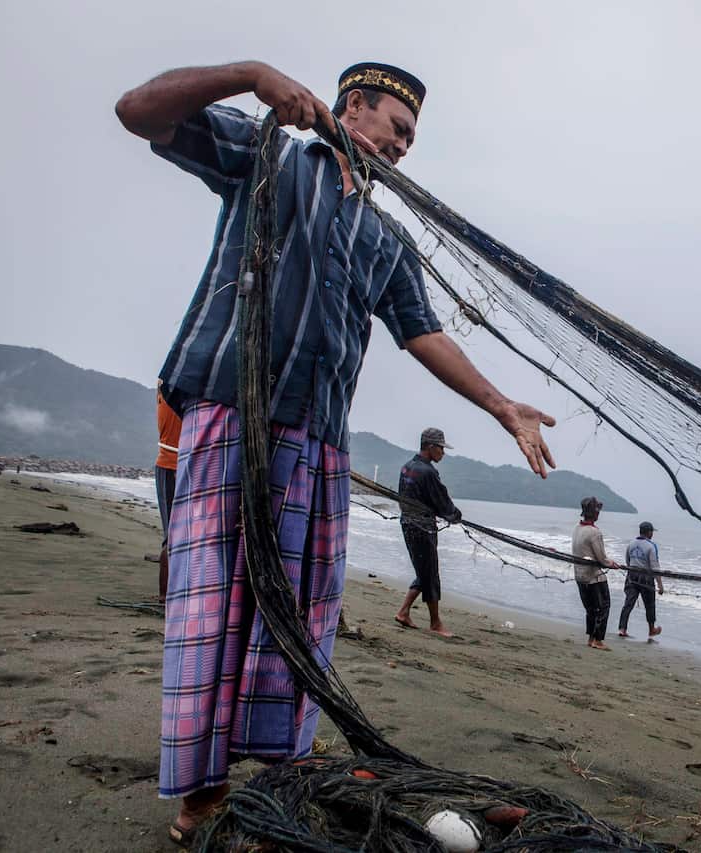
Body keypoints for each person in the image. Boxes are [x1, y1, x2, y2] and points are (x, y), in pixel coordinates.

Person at [116, 60, 557, 847]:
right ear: (353, 107)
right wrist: (250, 73)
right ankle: (202, 797)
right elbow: (137, 111)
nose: (404, 150)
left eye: (413, 141)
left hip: (318, 445)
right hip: (231, 416)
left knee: (303, 619)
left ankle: (278, 778)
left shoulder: (387, 236)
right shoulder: (271, 157)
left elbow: (421, 332)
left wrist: (500, 404)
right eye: (397, 130)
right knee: (212, 607)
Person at [395, 428, 461, 637]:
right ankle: (435, 623)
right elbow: (441, 500)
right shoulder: (428, 472)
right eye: (441, 448)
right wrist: (454, 515)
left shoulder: (407, 467)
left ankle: (404, 612)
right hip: (422, 527)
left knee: (424, 571)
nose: (443, 452)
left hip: (407, 523)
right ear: (431, 447)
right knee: (430, 573)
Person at [572, 496, 618, 650]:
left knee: (590, 609)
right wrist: (611, 564)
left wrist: (606, 561)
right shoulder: (594, 533)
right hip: (593, 577)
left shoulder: (577, 528)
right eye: (597, 510)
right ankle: (597, 640)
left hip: (579, 575)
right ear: (595, 513)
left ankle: (591, 639)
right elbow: (602, 558)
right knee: (603, 607)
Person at [154, 382, 182, 604]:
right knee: (172, 536)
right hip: (172, 464)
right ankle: (165, 596)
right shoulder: (174, 393)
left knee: (175, 534)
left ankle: (171, 592)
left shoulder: (167, 390)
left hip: (176, 464)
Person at [618, 521, 664, 638]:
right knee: (650, 604)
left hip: (632, 576)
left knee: (628, 603)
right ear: (649, 532)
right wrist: (660, 585)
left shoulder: (631, 544)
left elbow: (628, 560)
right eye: (652, 531)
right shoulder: (651, 546)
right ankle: (651, 629)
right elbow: (655, 567)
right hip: (646, 579)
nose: (652, 534)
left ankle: (622, 628)